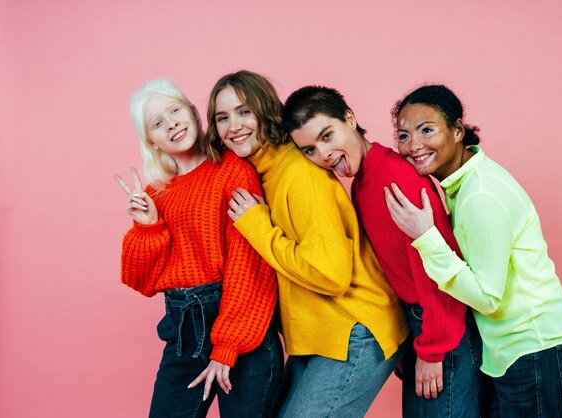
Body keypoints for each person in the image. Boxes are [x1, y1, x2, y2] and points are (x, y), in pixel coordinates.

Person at [200, 70, 409, 418]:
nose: (233, 125)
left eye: (244, 111)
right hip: (317, 335)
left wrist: (259, 228)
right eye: (222, 117)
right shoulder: (263, 171)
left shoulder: (299, 174)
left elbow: (331, 274)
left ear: (266, 110)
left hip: (353, 329)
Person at [282, 85, 483, 417]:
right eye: (310, 149)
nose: (324, 153)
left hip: (443, 328)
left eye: (328, 135)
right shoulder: (363, 181)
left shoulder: (395, 179)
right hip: (422, 323)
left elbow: (438, 268)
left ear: (350, 119)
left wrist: (432, 351)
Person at [384, 84, 562, 417]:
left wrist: (426, 237)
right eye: (404, 135)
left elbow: (488, 298)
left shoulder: (480, 196)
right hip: (518, 353)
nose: (414, 145)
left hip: (535, 350)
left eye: (427, 130)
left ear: (458, 130)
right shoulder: (462, 185)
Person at [113, 79, 282, 418]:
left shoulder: (234, 170)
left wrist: (228, 345)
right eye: (158, 123)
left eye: (175, 110)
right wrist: (147, 228)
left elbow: (248, 265)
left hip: (241, 328)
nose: (172, 123)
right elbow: (142, 282)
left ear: (192, 111)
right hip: (183, 333)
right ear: (151, 140)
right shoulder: (156, 192)